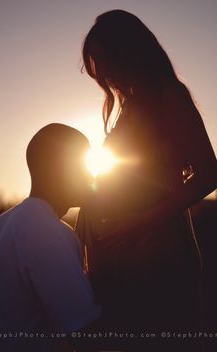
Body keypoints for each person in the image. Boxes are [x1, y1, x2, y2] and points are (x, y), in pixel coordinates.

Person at [76, 9, 217, 351]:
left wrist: (138, 225)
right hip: (124, 254)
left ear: (131, 50)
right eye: (97, 63)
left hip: (159, 254)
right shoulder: (130, 105)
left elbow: (209, 174)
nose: (104, 71)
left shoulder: (169, 94)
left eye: (106, 58)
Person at [0, 123, 101, 352]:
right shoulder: (46, 230)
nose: (91, 175)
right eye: (83, 165)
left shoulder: (1, 226)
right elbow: (85, 332)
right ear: (57, 169)